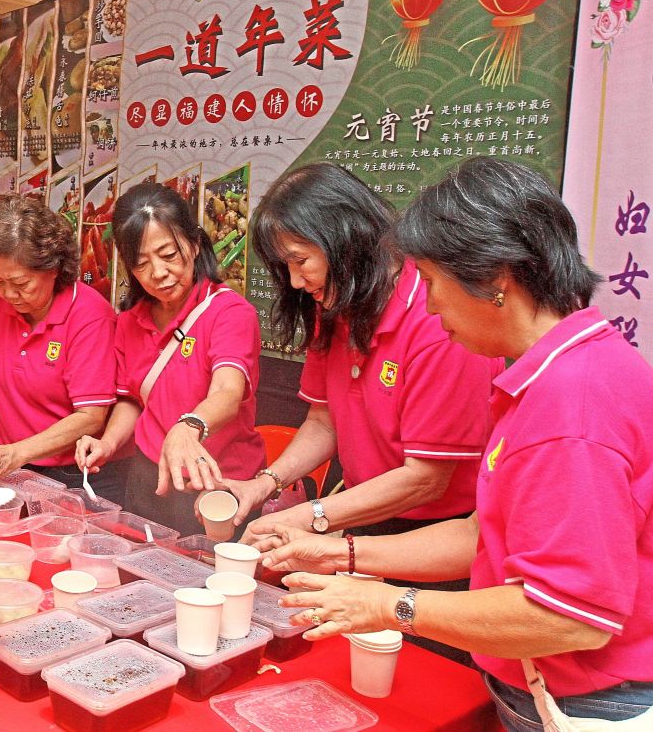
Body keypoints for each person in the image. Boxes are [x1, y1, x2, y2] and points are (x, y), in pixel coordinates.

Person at [255, 158, 652, 729]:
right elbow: (481, 536)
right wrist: (338, 552)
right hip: (541, 685)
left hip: (586, 699)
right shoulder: (550, 375)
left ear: (495, 277)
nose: (430, 302)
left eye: (435, 281)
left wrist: (389, 604)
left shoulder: (574, 403)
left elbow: (571, 616)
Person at [229, 164, 500, 545]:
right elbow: (324, 422)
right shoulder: (339, 303)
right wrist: (265, 484)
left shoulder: (438, 321)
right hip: (361, 512)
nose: (294, 281)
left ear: (344, 239)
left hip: (436, 535)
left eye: (300, 261)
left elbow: (425, 480)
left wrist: (310, 515)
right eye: (285, 266)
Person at [76, 182, 263, 536]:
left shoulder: (229, 311)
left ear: (194, 244)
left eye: (168, 254)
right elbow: (134, 399)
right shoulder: (130, 321)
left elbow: (227, 390)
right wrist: (108, 443)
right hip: (150, 478)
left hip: (220, 484)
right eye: (142, 263)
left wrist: (188, 427)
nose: (158, 273)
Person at [0, 195, 118, 495]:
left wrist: (16, 453)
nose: (8, 293)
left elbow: (91, 417)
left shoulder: (89, 316)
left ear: (53, 268)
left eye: (20, 283)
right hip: (8, 459)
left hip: (74, 475)